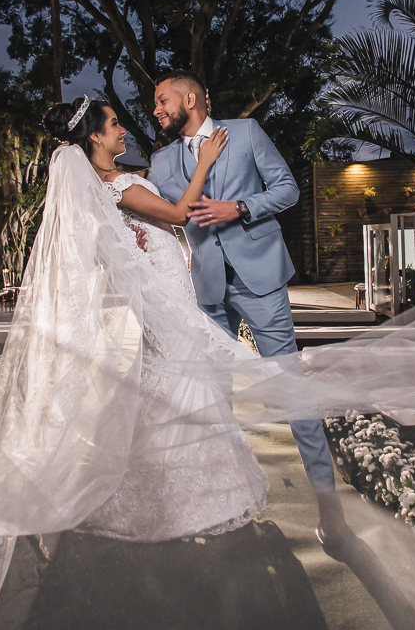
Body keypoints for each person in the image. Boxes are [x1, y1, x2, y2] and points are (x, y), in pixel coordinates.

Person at [39, 95, 269, 542]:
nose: (123, 130)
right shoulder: (117, 184)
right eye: (115, 124)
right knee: (181, 379)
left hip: (162, 287)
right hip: (163, 292)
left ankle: (169, 491)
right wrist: (204, 160)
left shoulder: (105, 184)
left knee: (167, 382)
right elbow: (181, 214)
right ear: (95, 137)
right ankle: (184, 501)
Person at [148, 70, 348, 548]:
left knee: (293, 390)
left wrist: (237, 207)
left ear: (190, 97)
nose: (155, 110)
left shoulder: (245, 133)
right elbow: (167, 214)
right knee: (216, 400)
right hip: (207, 290)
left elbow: (287, 190)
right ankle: (227, 507)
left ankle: (330, 507)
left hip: (261, 279)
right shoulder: (159, 161)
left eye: (161, 100)